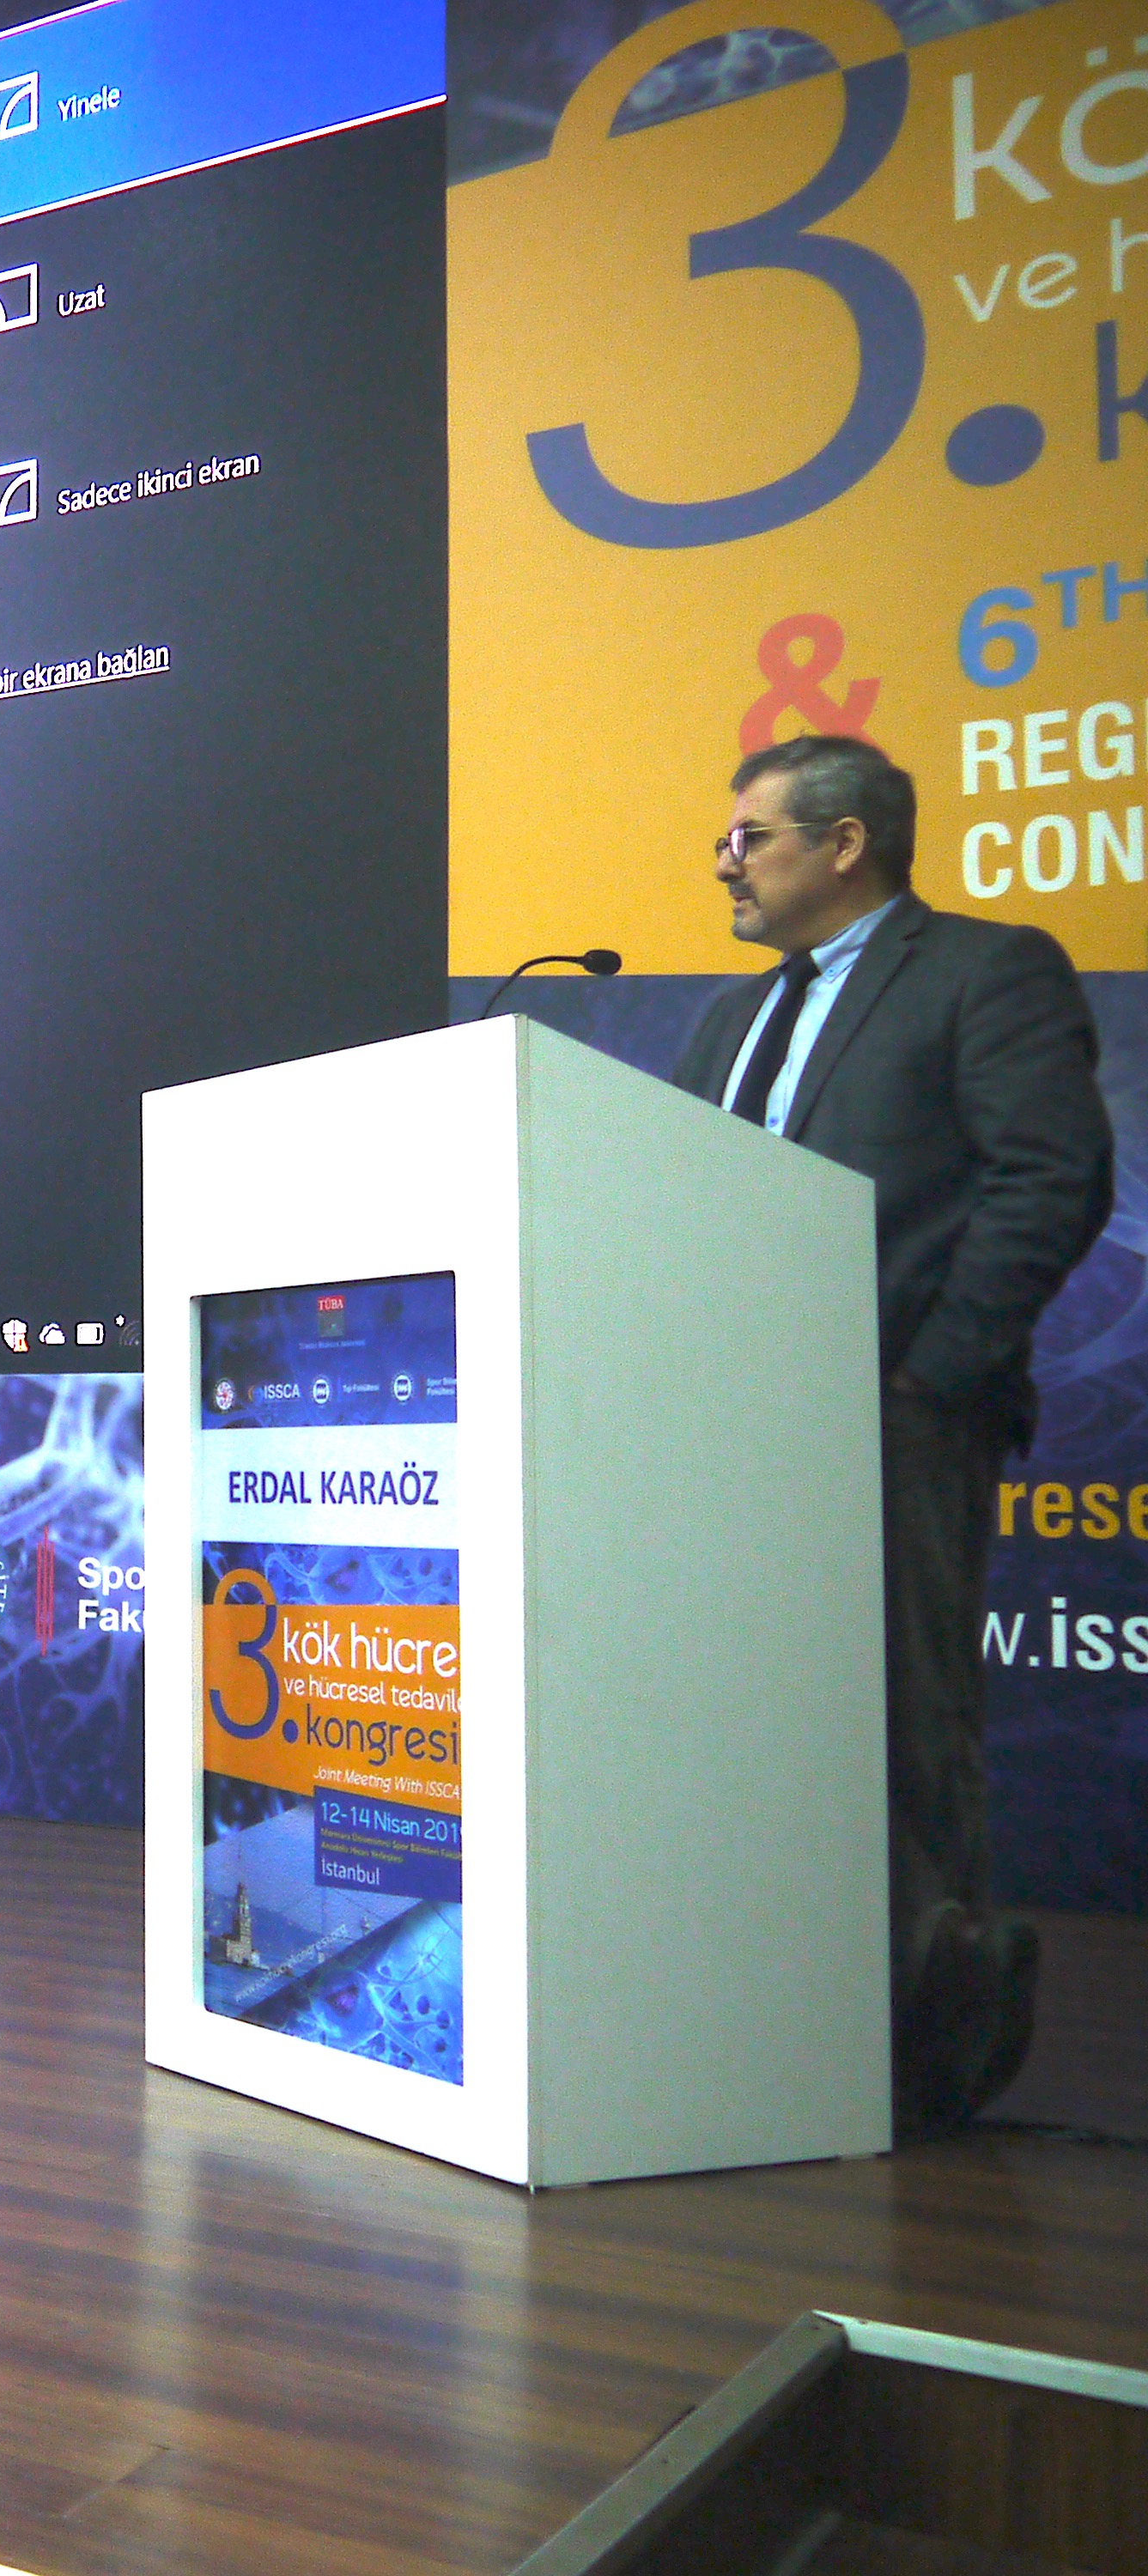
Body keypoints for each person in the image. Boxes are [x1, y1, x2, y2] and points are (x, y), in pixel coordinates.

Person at [670, 734, 1114, 2136]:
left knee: (905, 1730)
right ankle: (762, 2014)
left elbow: (1053, 1177)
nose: (723, 863)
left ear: (846, 842)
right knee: (742, 1724)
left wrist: (931, 1374)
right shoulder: (730, 1021)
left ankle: (927, 2057)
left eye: (750, 836)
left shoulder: (984, 971)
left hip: (898, 1416)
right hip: (720, 1431)